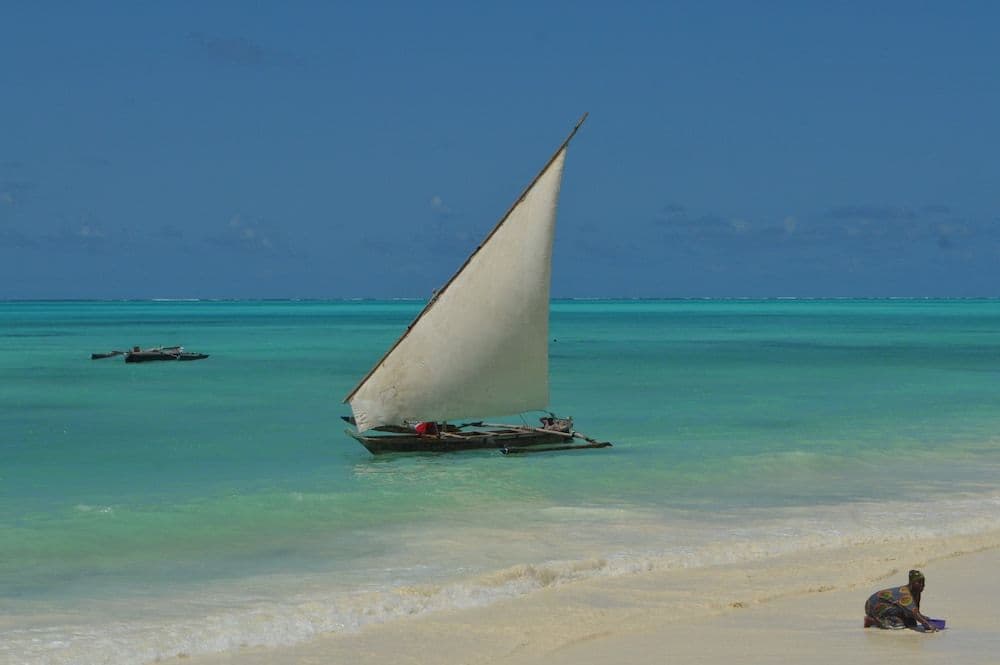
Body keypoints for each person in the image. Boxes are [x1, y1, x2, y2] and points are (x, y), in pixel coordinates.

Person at [864, 569, 937, 631]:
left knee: (912, 623)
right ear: (911, 583)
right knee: (898, 625)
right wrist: (927, 625)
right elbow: (914, 612)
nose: (922, 585)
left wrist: (924, 618)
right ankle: (871, 621)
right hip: (873, 604)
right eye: (919, 582)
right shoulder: (906, 594)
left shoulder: (917, 592)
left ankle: (878, 618)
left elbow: (915, 611)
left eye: (923, 582)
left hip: (888, 604)